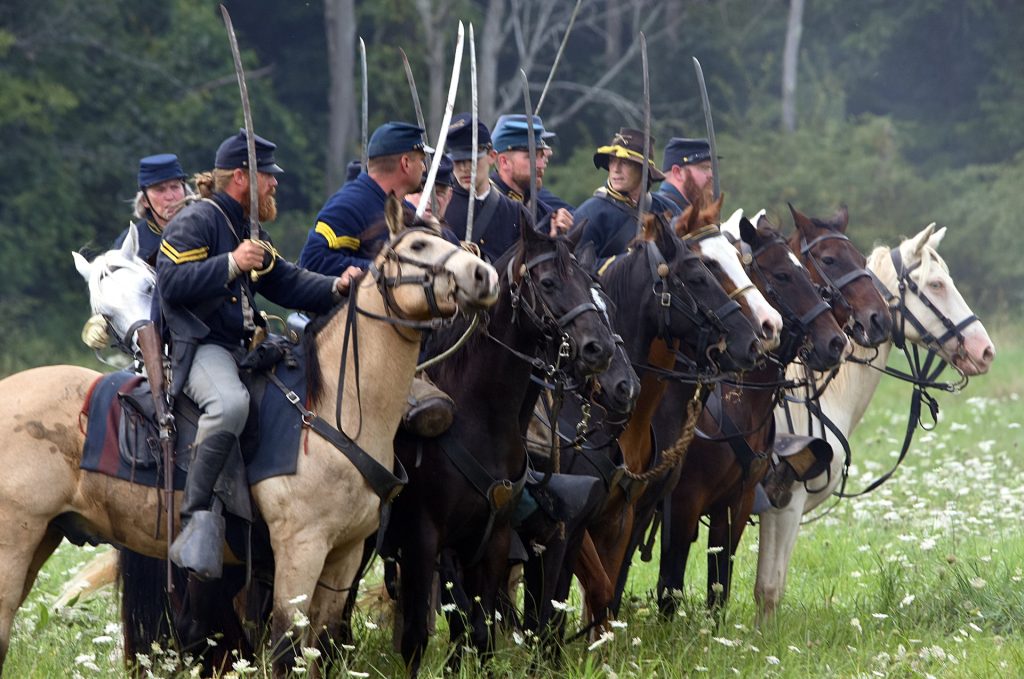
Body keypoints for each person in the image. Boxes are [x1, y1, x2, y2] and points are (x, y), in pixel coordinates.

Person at [156, 129, 349, 579]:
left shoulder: (244, 227)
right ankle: (198, 516)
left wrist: (338, 287)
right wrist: (230, 264)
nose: (275, 184)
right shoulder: (197, 220)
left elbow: (284, 280)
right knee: (229, 406)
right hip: (201, 347)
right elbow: (171, 283)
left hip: (244, 347)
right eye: (269, 176)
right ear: (242, 177)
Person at [299, 121, 455, 439]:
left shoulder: (392, 206)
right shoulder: (352, 204)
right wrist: (381, 269)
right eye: (420, 160)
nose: (424, 168)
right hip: (355, 349)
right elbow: (313, 262)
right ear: (405, 163)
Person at [81, 154, 191, 350]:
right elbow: (116, 293)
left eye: (175, 187)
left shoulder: (207, 226)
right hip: (151, 344)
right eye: (160, 190)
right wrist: (98, 320)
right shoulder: (130, 241)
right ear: (146, 200)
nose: (170, 196)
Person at [574, 127, 677, 261]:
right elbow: (579, 271)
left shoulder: (666, 207)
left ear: (644, 170)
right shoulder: (589, 214)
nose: (615, 169)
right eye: (612, 161)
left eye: (624, 162)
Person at [443, 112, 526, 262]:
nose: (464, 168)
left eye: (472, 160)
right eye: (458, 161)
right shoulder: (441, 209)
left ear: (492, 156)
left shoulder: (515, 212)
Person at [489, 114, 573, 236]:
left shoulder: (545, 215)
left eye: (541, 156)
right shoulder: (480, 205)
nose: (541, 165)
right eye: (531, 157)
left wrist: (555, 243)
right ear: (504, 162)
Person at [655, 137, 714, 213]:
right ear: (678, 173)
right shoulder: (659, 211)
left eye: (710, 168)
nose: (711, 175)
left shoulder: (686, 211)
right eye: (704, 168)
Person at [405, 153, 456, 222]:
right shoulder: (389, 230)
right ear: (404, 192)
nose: (430, 200)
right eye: (420, 191)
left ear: (449, 196)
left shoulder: (452, 230)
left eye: (438, 193)